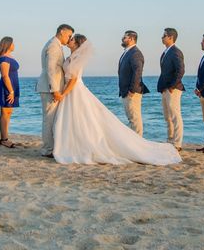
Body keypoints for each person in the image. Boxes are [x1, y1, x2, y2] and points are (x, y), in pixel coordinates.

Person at [53, 34, 181, 165]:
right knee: (78, 119)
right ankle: (74, 143)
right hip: (71, 91)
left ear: (77, 44)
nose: (70, 40)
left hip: (74, 90)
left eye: (73, 39)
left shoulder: (78, 58)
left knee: (93, 118)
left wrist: (63, 94)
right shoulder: (70, 57)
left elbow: (74, 79)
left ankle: (134, 143)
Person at [35, 24, 74, 157]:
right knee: (49, 119)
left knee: (52, 119)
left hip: (50, 87)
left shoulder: (56, 45)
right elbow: (51, 69)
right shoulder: (53, 46)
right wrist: (55, 90)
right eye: (69, 35)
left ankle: (51, 147)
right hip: (49, 88)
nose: (69, 39)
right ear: (62, 32)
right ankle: (48, 150)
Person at [156, 28, 185, 151]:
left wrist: (173, 86)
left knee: (175, 115)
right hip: (165, 88)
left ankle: (177, 143)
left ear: (171, 37)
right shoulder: (165, 52)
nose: (162, 37)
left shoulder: (175, 52)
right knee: (167, 116)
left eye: (164, 35)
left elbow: (180, 70)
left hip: (173, 89)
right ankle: (170, 139)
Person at [117, 30, 148, 136]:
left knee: (135, 118)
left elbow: (138, 72)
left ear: (131, 39)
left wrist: (132, 90)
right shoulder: (127, 52)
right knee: (131, 118)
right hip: (126, 90)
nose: (122, 38)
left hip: (132, 92)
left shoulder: (135, 53)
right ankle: (134, 142)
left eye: (125, 37)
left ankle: (139, 143)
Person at [0, 37, 19, 148]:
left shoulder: (9, 57)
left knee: (8, 113)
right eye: (13, 43)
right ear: (8, 44)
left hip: (12, 87)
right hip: (7, 87)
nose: (14, 45)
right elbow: (5, 75)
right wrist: (11, 91)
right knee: (4, 113)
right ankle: (4, 139)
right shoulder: (3, 58)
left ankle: (5, 137)